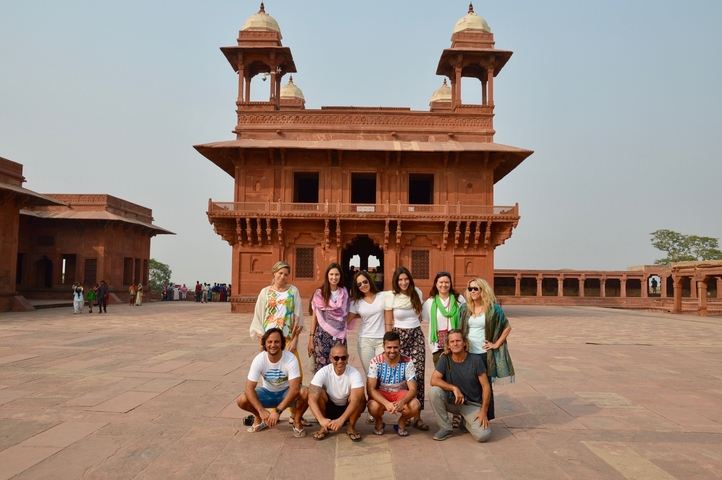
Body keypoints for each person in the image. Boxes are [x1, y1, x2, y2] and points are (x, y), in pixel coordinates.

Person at [236, 328, 309, 438]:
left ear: (282, 343)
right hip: (267, 393)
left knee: (306, 392)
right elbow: (248, 388)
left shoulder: (290, 358)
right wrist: (261, 411)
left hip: (286, 393)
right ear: (264, 343)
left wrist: (277, 412)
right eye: (269, 342)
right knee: (242, 399)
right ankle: (260, 418)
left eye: (276, 342)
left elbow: (294, 389)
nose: (273, 345)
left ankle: (297, 421)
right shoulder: (259, 359)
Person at [382, 266, 428, 431]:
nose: (403, 282)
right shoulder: (391, 296)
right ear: (396, 281)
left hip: (416, 336)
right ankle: (405, 412)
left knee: (418, 374)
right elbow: (388, 322)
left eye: (406, 279)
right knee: (402, 376)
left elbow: (420, 315)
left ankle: (417, 416)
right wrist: (389, 343)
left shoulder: (417, 293)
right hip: (399, 336)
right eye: (400, 279)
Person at [429, 329, 493, 442]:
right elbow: (434, 380)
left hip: (471, 403)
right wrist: (454, 388)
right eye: (452, 341)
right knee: (434, 392)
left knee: (483, 436)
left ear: (464, 342)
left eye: (458, 340)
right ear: (448, 345)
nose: (455, 344)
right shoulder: (445, 359)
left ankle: (465, 422)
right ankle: (445, 428)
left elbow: (486, 386)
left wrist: (484, 411)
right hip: (453, 401)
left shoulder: (475, 360)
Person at [460, 278, 514, 385]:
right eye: (470, 289)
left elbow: (507, 327)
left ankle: (487, 402)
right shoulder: (465, 308)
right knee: (470, 384)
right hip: (468, 352)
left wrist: (496, 344)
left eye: (476, 288)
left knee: (486, 386)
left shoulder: (493, 309)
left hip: (483, 353)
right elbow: (459, 329)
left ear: (483, 290)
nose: (473, 291)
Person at [366, 331, 421, 437]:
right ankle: (379, 420)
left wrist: (401, 402)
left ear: (400, 346)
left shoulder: (407, 361)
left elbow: (413, 389)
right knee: (373, 406)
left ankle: (402, 421)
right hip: (382, 394)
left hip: (400, 393)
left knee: (415, 405)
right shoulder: (375, 362)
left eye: (395, 347)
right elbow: (370, 389)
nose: (392, 351)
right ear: (383, 347)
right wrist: (387, 403)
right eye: (389, 347)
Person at [308, 343, 365, 441]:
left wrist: (341, 420)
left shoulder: (354, 373)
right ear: (330, 358)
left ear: (347, 358)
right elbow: (311, 398)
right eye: (336, 358)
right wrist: (321, 420)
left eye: (343, 358)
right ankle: (324, 427)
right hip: (329, 408)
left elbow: (355, 400)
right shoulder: (323, 372)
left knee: (360, 396)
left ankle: (351, 427)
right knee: (318, 392)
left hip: (348, 410)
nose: (340, 361)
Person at [308, 262, 351, 373]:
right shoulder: (320, 293)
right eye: (331, 274)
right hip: (322, 336)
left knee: (339, 366)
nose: (334, 277)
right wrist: (311, 339)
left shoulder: (344, 293)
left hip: (339, 336)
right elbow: (315, 317)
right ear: (327, 276)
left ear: (340, 276)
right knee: (321, 369)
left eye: (336, 275)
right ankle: (322, 390)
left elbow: (345, 314)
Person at [422, 271, 466, 366]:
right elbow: (427, 320)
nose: (444, 285)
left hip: (456, 343)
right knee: (441, 376)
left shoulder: (459, 300)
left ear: (450, 284)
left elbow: (465, 319)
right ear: (436, 284)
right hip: (438, 345)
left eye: (446, 282)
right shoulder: (430, 302)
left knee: (458, 374)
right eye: (441, 282)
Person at [348, 271, 386, 377]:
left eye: (365, 282)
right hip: (365, 341)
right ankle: (370, 394)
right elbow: (346, 321)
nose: (363, 285)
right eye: (359, 284)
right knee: (370, 375)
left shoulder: (383, 296)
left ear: (369, 281)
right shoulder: (356, 302)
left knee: (382, 374)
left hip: (381, 340)